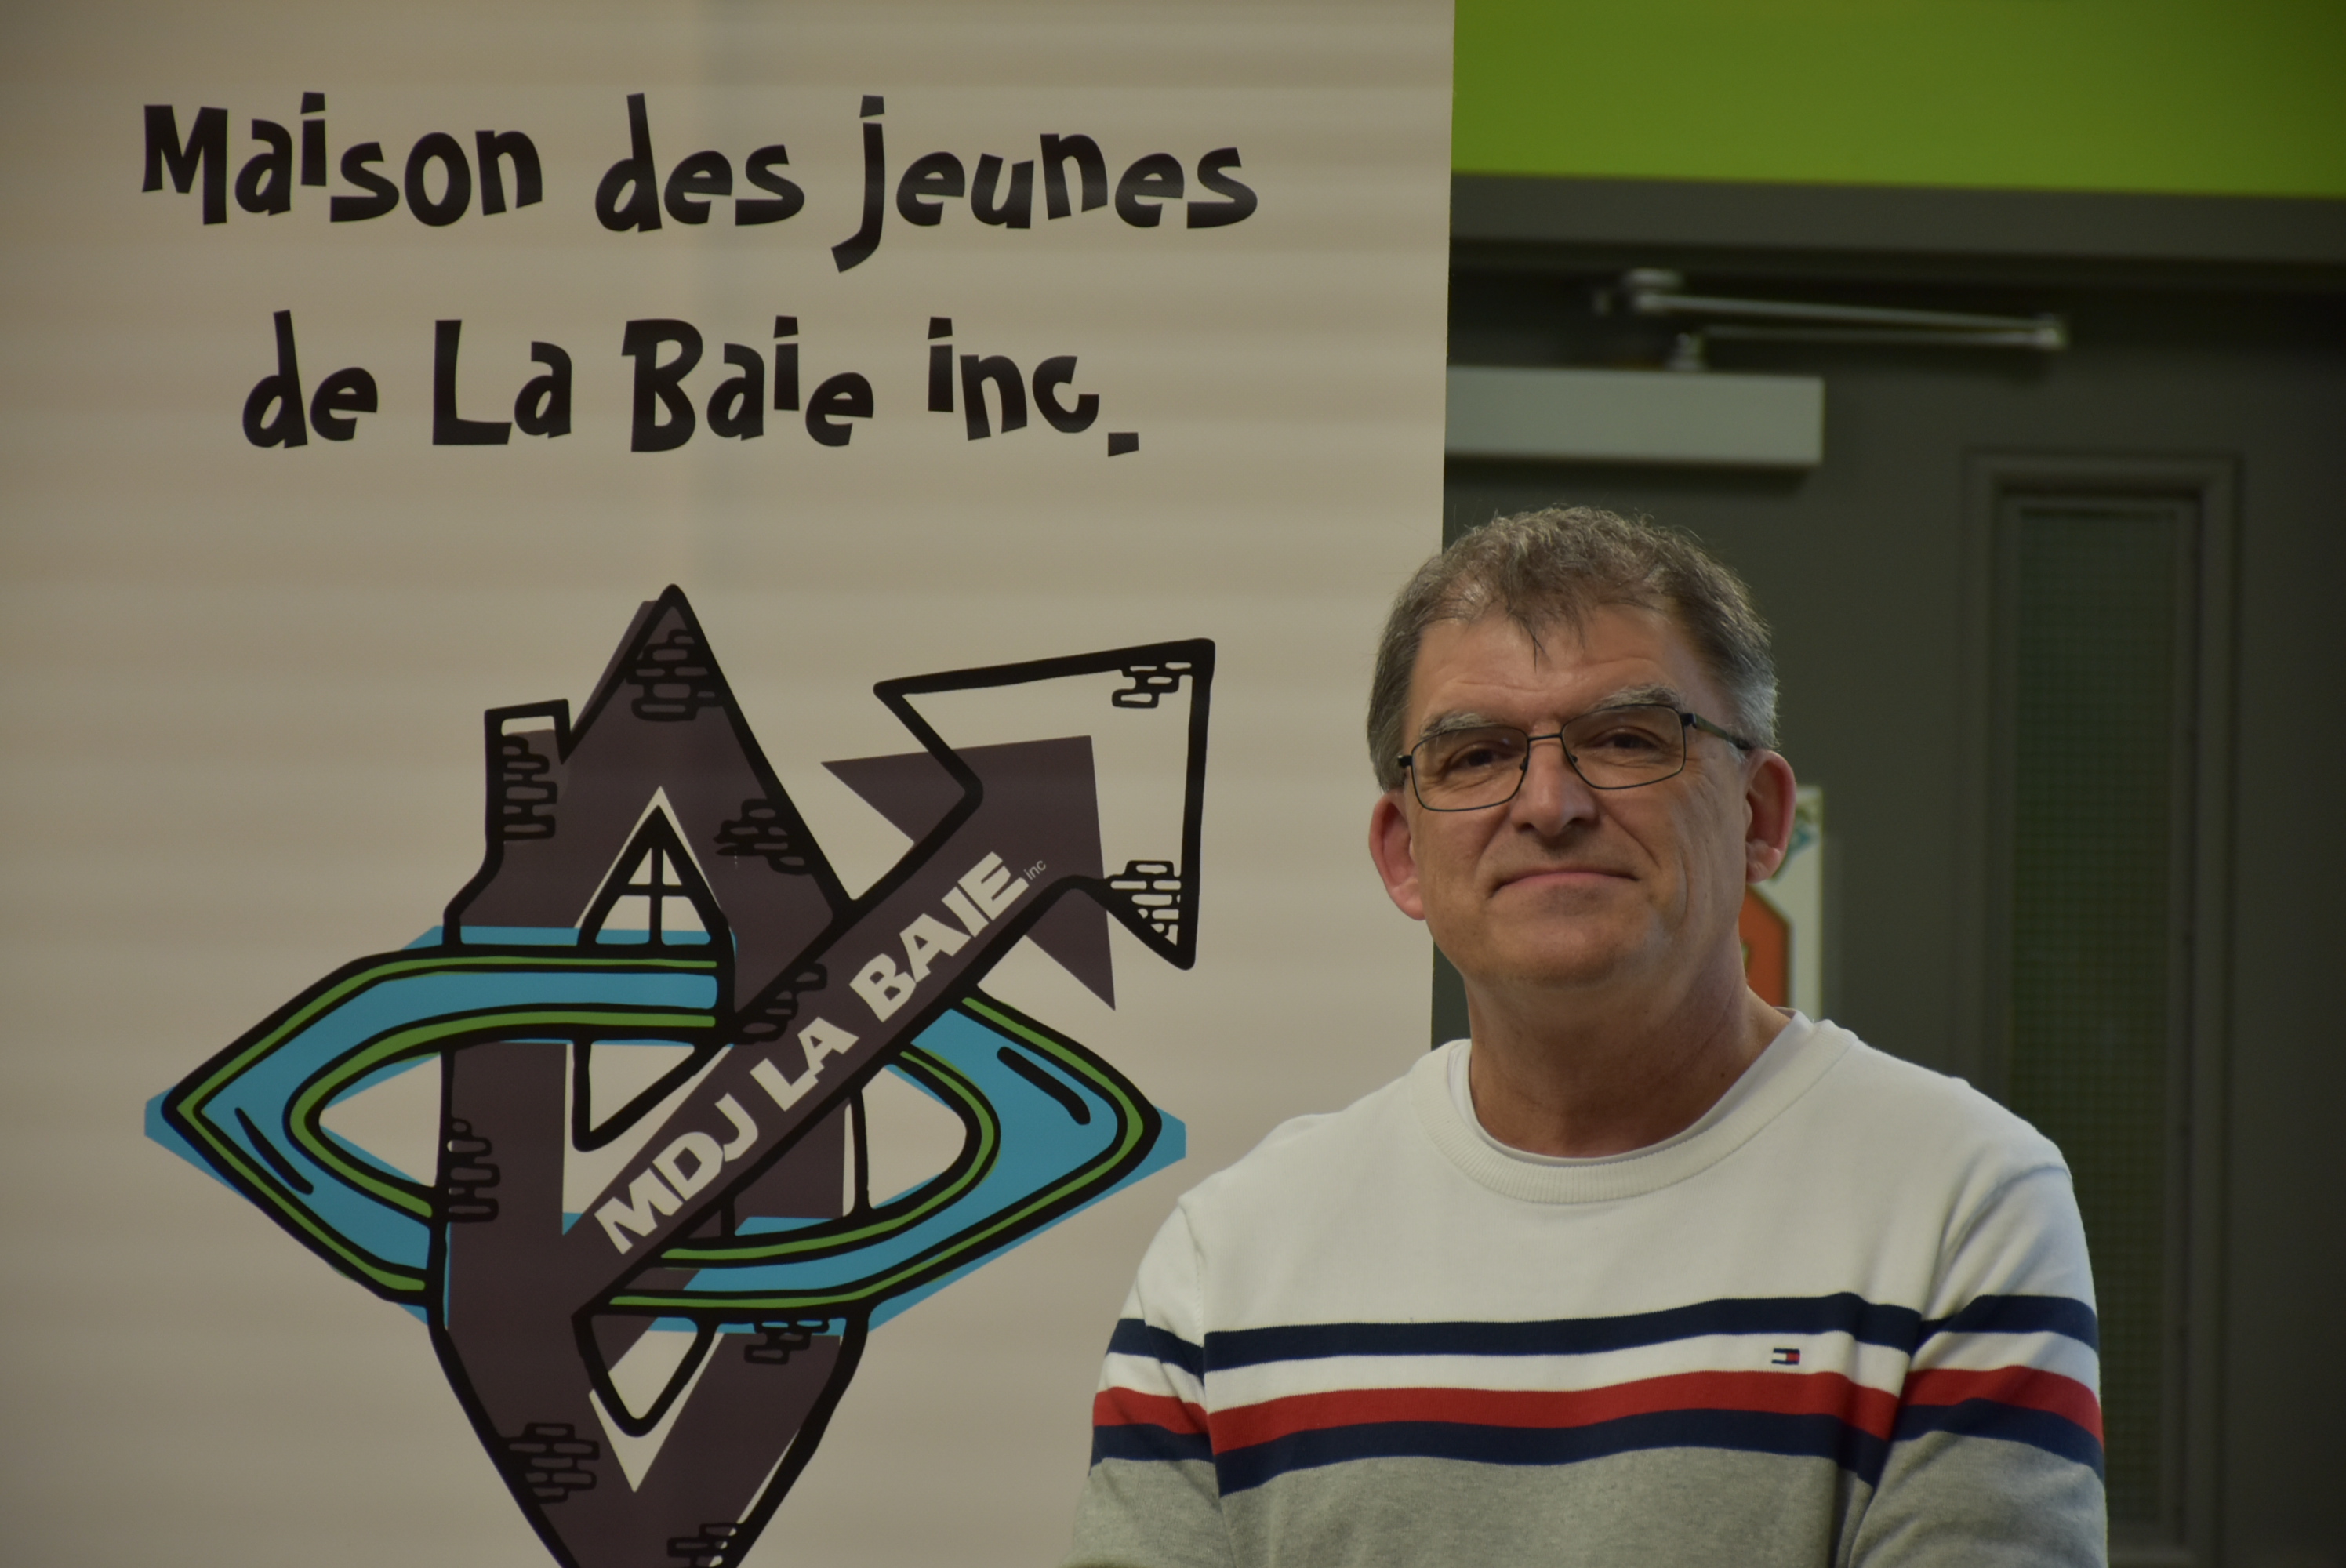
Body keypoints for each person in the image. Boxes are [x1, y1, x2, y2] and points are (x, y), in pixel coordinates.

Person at [1064, 507, 2105, 1566]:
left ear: (1759, 816)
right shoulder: (1228, 1266)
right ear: (1403, 855)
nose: (1551, 805)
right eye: (1475, 755)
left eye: (1626, 740)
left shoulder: (1957, 1203)